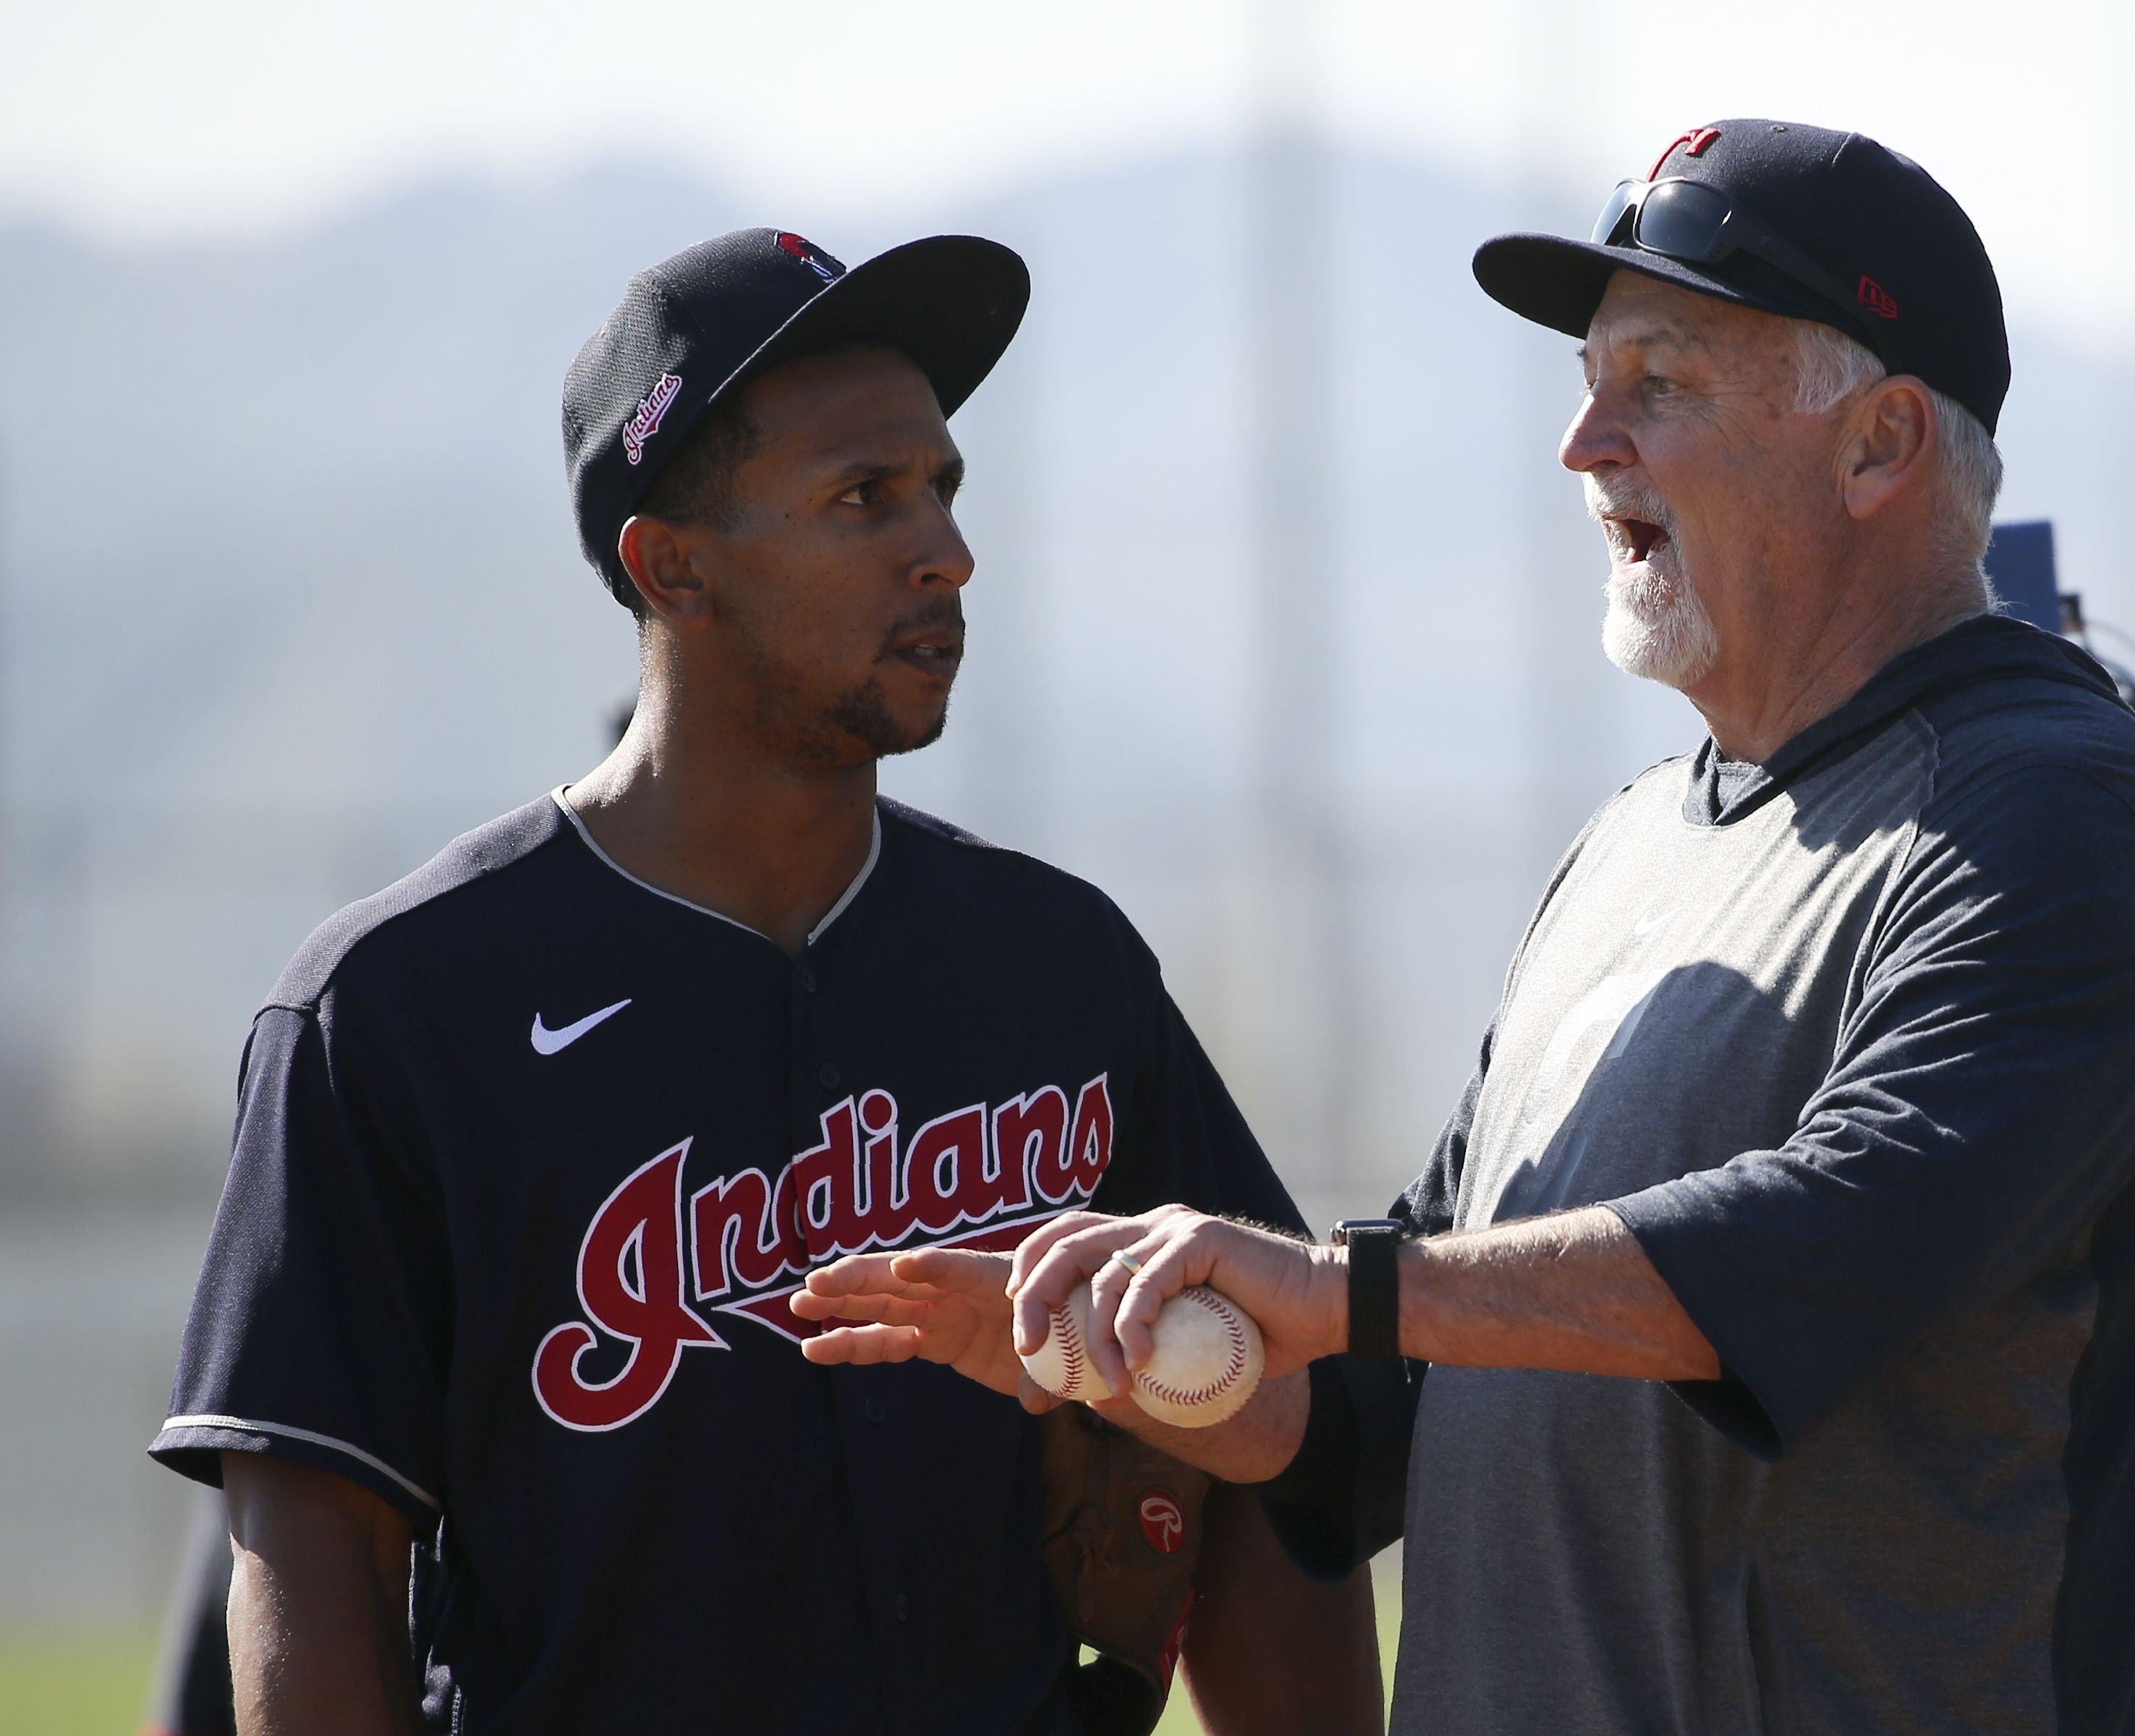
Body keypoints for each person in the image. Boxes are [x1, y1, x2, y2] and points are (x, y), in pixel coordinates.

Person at [797, 120, 2135, 1735]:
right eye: (1590, 378)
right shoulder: (1627, 848)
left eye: (1663, 384)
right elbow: (1387, 1407)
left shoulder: (2063, 823)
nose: (1584, 443)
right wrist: (1122, 1349)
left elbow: (1824, 1253)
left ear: (1879, 443)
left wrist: (1341, 1288)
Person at [148, 225, 1380, 1735]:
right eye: (864, 497)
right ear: (675, 567)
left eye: (942, 486)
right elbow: (314, 1549)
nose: (944, 548)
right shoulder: (397, 1009)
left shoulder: (1060, 967)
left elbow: (1263, 1471)